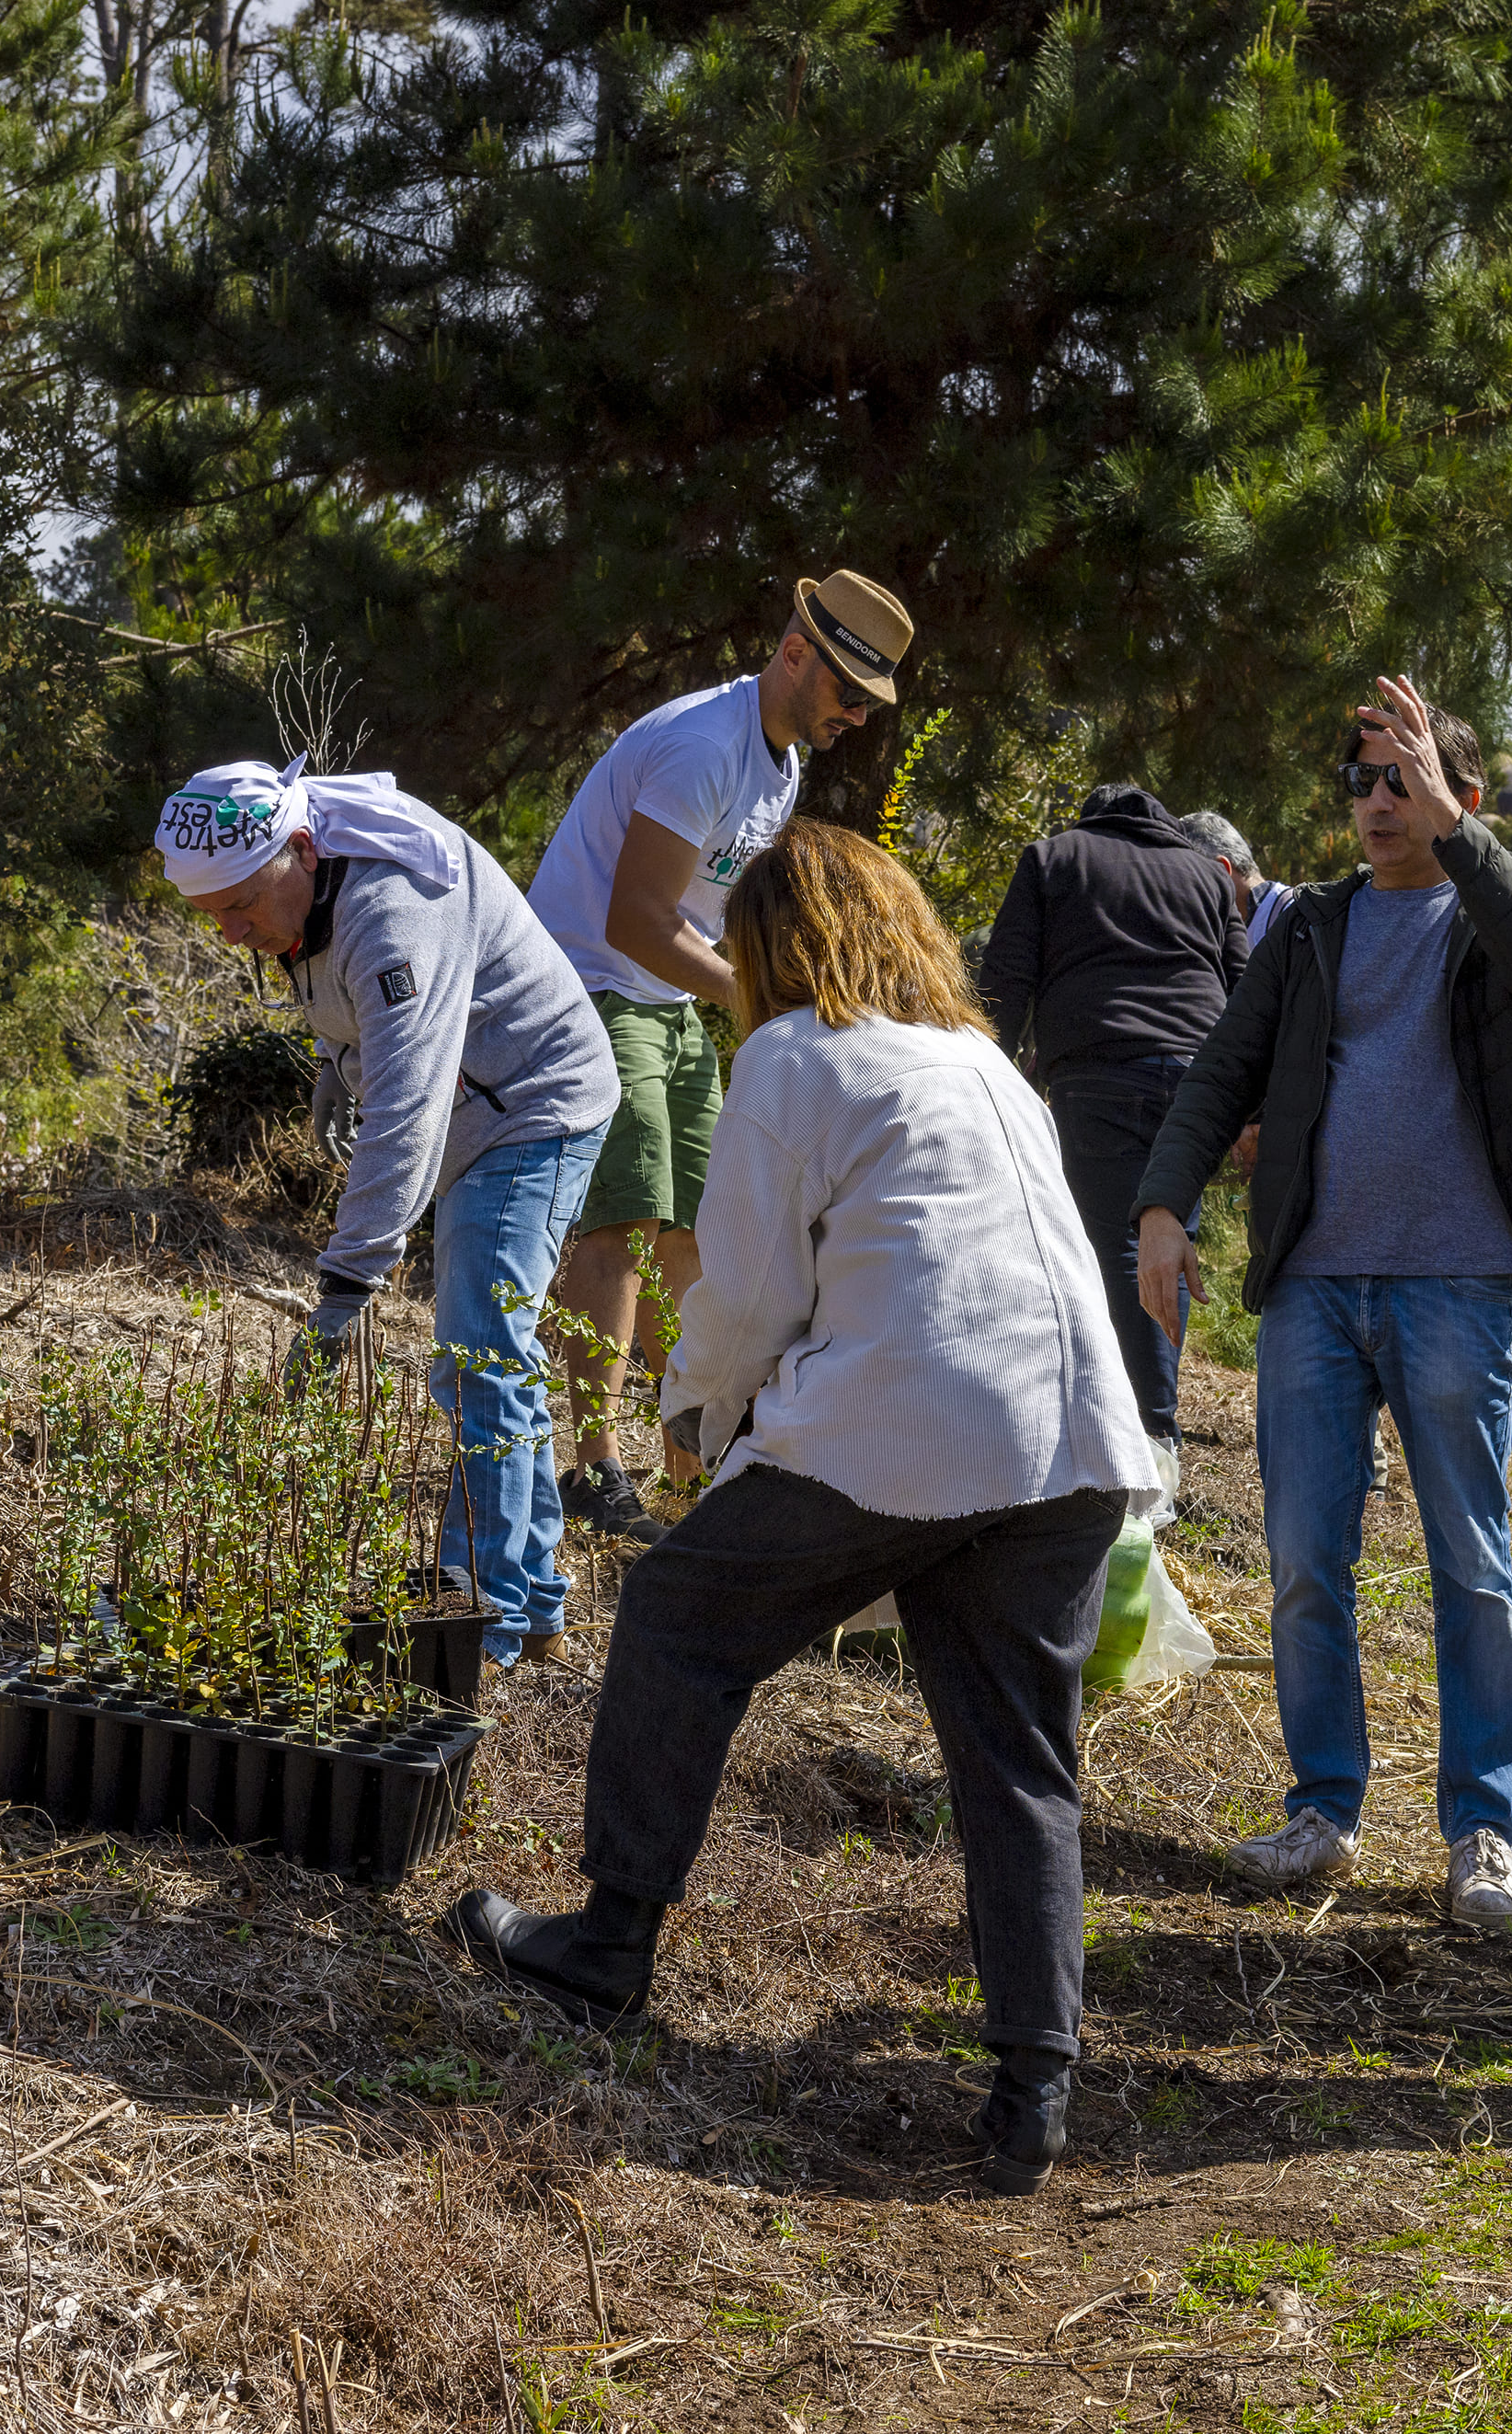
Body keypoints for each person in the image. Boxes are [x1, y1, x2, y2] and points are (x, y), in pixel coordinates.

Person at [452, 822, 1161, 2196]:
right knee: (1018, 1758)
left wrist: (694, 1430)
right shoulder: (985, 1065)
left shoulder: (791, 1056)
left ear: (775, 942)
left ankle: (606, 1946)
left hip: (911, 1426)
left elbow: (742, 1299)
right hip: (1070, 1444)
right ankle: (1032, 2085)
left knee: (673, 1615)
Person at [1130, 680, 1512, 1933]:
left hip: (1455, 1278)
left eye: (1402, 778)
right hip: (1314, 1288)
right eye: (1361, 780)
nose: (1375, 802)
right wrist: (1165, 1204)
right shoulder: (1312, 926)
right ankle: (1324, 1805)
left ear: (1457, 793)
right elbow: (1223, 1066)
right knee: (1302, 1563)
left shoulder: (1497, 909)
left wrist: (1453, 829)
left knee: (1468, 1562)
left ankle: (1480, 1825)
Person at [165, 759, 622, 1671]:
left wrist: (346, 1285)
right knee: (495, 1355)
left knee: (475, 1359)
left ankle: (476, 1630)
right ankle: (532, 1608)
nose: (228, 931)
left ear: (300, 850)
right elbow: (362, 1020)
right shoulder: (307, 889)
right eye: (209, 912)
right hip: (475, 1103)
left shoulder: (391, 909)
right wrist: (340, 1065)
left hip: (531, 1106)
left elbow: (407, 1114)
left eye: (240, 905)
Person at [523, 570, 915, 1547]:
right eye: (848, 693)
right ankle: (594, 1466)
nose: (858, 717)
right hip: (592, 983)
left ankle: (691, 1473)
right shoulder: (703, 747)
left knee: (700, 1230)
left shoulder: (781, 767)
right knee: (625, 1214)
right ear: (794, 654)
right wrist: (757, 998)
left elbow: (709, 923)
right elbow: (634, 920)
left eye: (870, 701)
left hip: (666, 995)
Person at [979, 781, 1245, 1479]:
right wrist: (1254, 1100)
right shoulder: (1206, 875)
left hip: (1100, 1074)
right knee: (1167, 1234)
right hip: (1199, 1080)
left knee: (1115, 1247)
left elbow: (1005, 980)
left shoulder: (1054, 858)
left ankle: (1144, 1436)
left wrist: (981, 1074)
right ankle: (1141, 1427)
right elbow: (1245, 985)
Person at [1178, 811, 1291, 949]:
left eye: (1189, 879)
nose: (1182, 892)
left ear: (1222, 871)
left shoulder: (1295, 916)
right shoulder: (1218, 934)